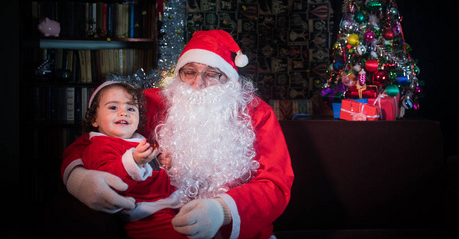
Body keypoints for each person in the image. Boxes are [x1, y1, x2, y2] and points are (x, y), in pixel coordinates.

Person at [61, 30, 294, 239]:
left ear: (228, 80)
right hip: (160, 224)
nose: (197, 84)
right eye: (189, 72)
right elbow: (92, 139)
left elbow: (275, 184)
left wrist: (223, 210)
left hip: (236, 233)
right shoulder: (152, 101)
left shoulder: (256, 112)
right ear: (178, 73)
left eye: (211, 74)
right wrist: (79, 180)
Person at [79, 81, 186, 238]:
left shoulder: (137, 139)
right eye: (113, 107)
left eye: (130, 108)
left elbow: (152, 168)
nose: (124, 113)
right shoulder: (100, 145)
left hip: (168, 202)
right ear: (94, 119)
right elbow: (107, 181)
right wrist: (134, 162)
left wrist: (161, 162)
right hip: (144, 214)